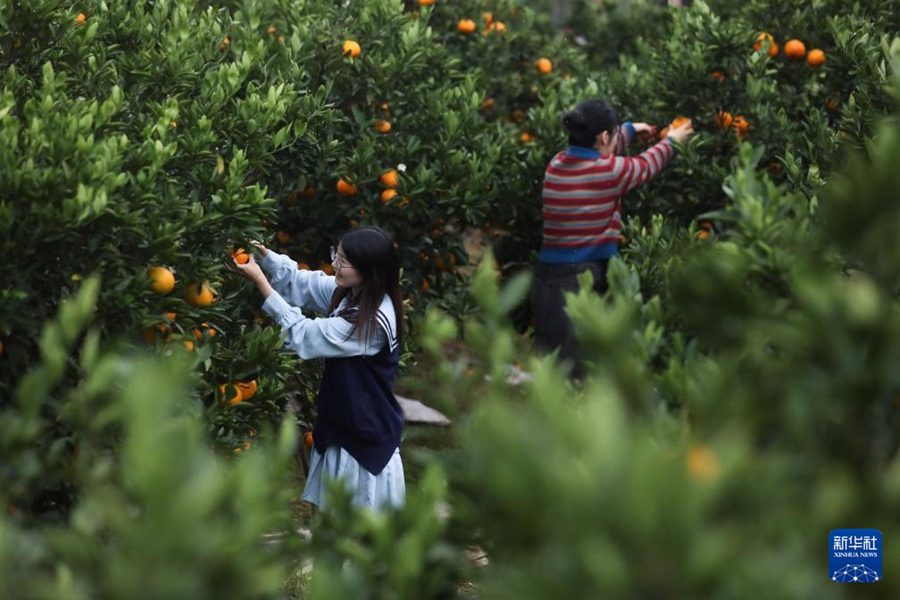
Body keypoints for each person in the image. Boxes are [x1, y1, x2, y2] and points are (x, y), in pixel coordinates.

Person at [231, 225, 405, 511]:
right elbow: (305, 283)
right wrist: (265, 256)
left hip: (364, 439)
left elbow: (305, 336)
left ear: (370, 269)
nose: (335, 264)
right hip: (343, 425)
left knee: (359, 532)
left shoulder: (374, 320)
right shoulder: (351, 291)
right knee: (334, 531)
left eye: (344, 261)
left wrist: (262, 284)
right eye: (336, 255)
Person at [532, 98, 694, 379]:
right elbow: (645, 165)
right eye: (615, 134)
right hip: (579, 280)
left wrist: (630, 130)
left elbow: (596, 155)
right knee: (576, 374)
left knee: (550, 366)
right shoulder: (611, 172)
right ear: (605, 136)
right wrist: (672, 141)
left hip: (546, 281)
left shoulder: (556, 164)